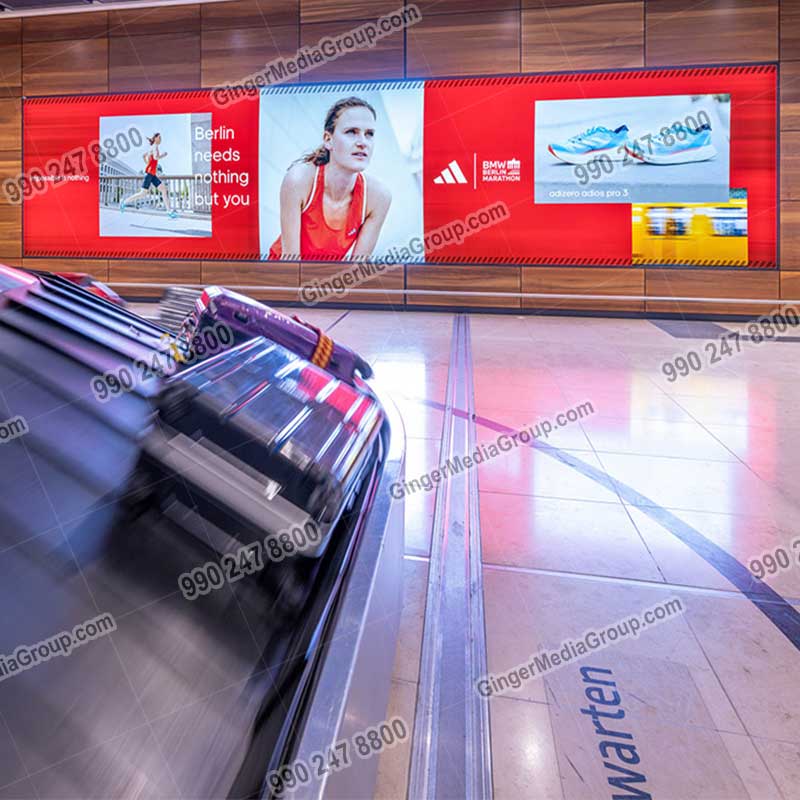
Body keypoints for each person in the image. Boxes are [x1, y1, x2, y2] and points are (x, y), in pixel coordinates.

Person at [269, 97, 391, 260]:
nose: (363, 142)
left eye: (369, 134)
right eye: (351, 132)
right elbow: (290, 264)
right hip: (281, 278)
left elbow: (355, 271)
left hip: (323, 281)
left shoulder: (379, 197)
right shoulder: (298, 180)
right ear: (328, 140)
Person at [121, 133, 178, 219]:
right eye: (159, 137)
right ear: (155, 138)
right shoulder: (154, 146)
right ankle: (124, 202)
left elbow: (146, 158)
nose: (160, 139)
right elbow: (155, 157)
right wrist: (163, 155)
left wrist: (147, 160)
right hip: (149, 174)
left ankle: (169, 211)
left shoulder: (152, 148)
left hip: (152, 174)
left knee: (163, 189)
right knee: (142, 194)